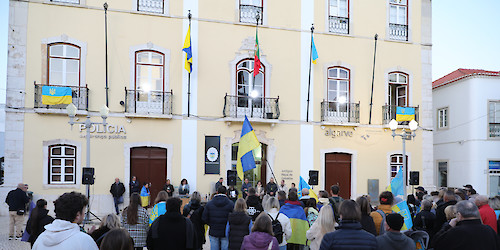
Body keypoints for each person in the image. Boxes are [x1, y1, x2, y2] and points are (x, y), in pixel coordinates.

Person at [32, 192, 98, 250]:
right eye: (84, 211)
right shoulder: (84, 240)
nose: (84, 214)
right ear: (77, 215)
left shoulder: (41, 238)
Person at [433, 200, 500, 250]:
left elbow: (437, 244)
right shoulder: (489, 230)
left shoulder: (455, 232)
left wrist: (448, 226)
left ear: (459, 215)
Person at [202, 185, 234, 250]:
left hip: (213, 230)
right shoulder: (231, 204)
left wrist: (211, 224)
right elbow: (233, 218)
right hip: (225, 231)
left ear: (217, 192)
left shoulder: (209, 204)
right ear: (226, 193)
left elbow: (204, 218)